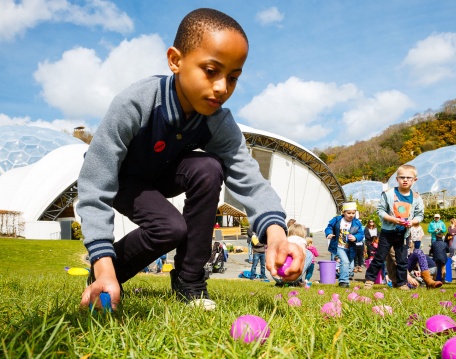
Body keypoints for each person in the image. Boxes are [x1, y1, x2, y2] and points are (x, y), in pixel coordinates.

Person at [77, 8, 305, 311]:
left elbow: (249, 179)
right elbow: (95, 185)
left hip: (163, 176)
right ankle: (105, 276)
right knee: (169, 228)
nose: (223, 87)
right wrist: (103, 267)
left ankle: (190, 282)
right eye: (211, 71)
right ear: (175, 60)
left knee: (209, 168)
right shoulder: (135, 104)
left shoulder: (218, 122)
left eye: (233, 77)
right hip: (122, 179)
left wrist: (276, 237)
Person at [364, 164, 425, 290]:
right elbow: (380, 210)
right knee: (379, 257)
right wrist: (393, 219)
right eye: (402, 177)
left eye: (409, 177)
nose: (405, 180)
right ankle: (369, 280)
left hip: (404, 234)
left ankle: (402, 283)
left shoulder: (416, 197)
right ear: (397, 179)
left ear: (415, 180)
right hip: (388, 232)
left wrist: (412, 222)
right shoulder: (388, 194)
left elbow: (420, 214)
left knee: (402, 260)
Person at [325, 202, 364, 288]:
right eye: (348, 213)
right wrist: (329, 233)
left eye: (353, 213)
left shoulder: (356, 222)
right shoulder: (337, 220)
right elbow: (329, 227)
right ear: (343, 212)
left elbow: (361, 234)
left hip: (350, 248)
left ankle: (343, 279)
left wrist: (356, 237)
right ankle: (343, 281)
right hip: (338, 246)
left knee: (349, 264)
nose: (351, 215)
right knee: (345, 262)